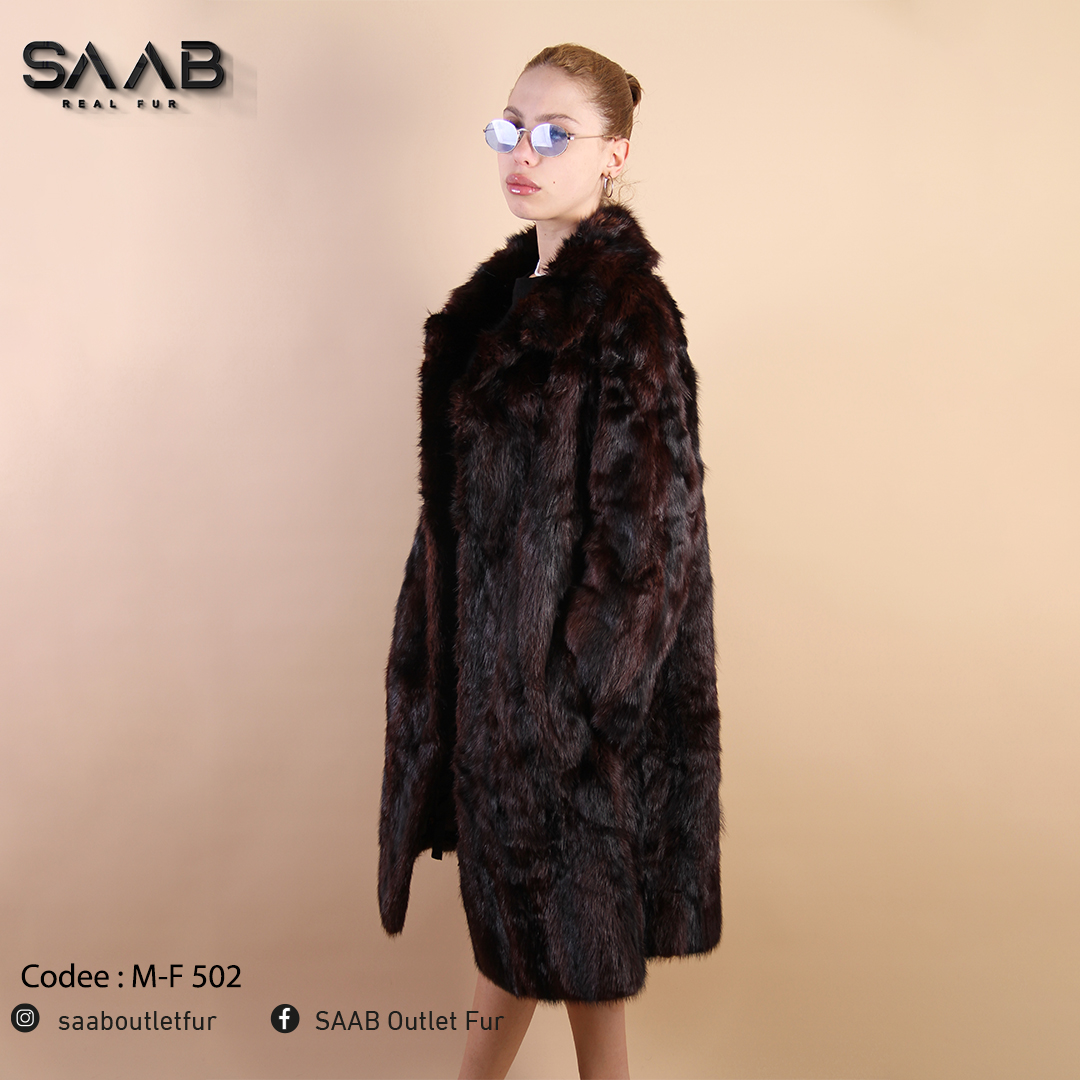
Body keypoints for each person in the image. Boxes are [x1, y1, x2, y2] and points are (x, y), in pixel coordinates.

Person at [378, 44, 722, 1080]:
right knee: (549, 947)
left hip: (560, 712)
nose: (522, 153)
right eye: (510, 127)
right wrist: (440, 659)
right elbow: (456, 515)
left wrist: (574, 700)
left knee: (556, 943)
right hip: (491, 697)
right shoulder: (496, 309)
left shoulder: (628, 314)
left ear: (615, 154)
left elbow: (652, 536)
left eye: (554, 134)